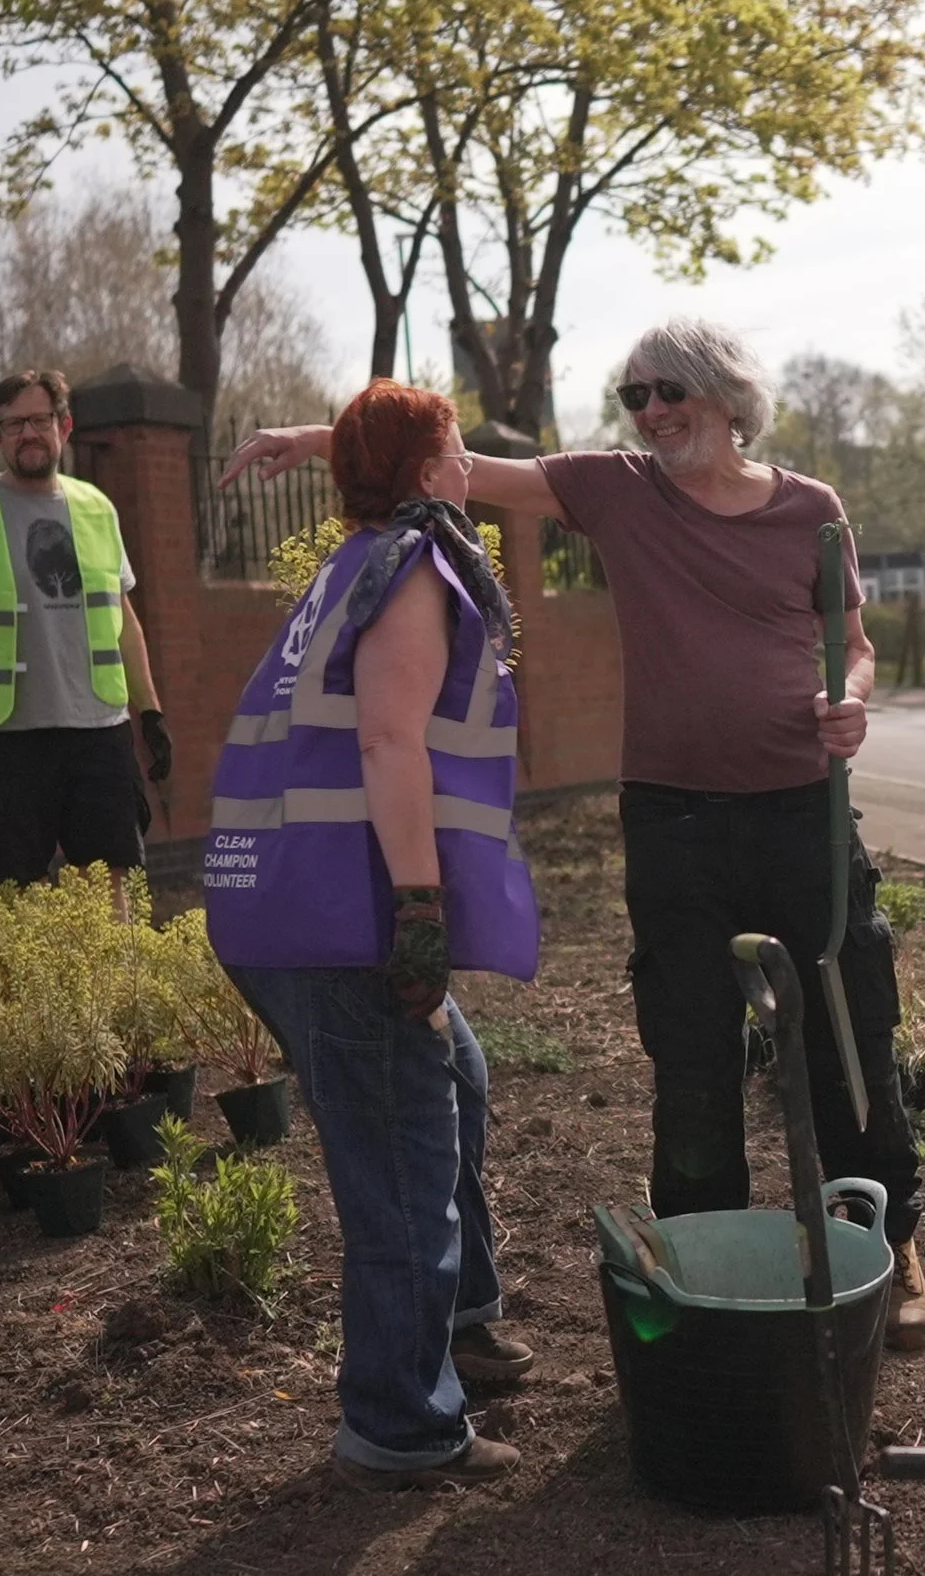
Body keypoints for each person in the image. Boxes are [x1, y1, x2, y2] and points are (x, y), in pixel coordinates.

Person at [224, 318, 925, 1353]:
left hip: (803, 812)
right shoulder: (617, 488)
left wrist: (850, 697)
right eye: (633, 397)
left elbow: (856, 645)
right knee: (689, 1051)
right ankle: (701, 1262)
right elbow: (460, 466)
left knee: (845, 1030)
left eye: (665, 394)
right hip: (674, 817)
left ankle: (887, 1237)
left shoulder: (811, 514)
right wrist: (314, 439)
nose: (648, 414)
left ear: (724, 397)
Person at [205, 380, 539, 1489]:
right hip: (342, 921)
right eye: (452, 450)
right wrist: (418, 918)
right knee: (402, 1170)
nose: (467, 467)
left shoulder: (357, 558)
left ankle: (466, 1317)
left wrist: (326, 439)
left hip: (275, 907)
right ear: (426, 468)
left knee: (459, 1081)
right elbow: (391, 744)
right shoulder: (409, 574)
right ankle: (399, 1423)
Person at [0, 370, 172, 885]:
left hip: (99, 728)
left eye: (38, 419)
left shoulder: (97, 509)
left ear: (65, 425)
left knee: (108, 891)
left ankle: (111, 974)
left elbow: (123, 619)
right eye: (12, 425)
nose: (27, 434)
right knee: (22, 899)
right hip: (9, 738)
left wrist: (151, 715)